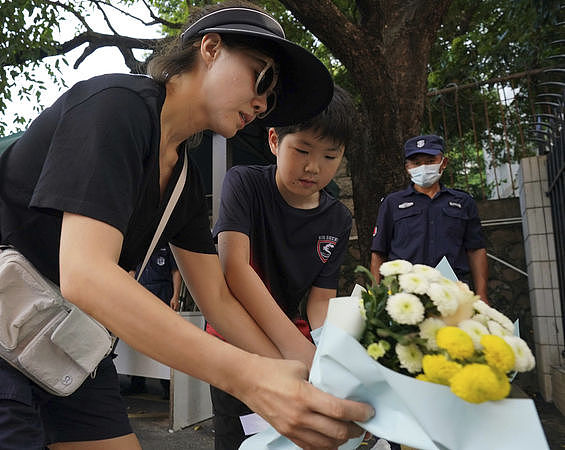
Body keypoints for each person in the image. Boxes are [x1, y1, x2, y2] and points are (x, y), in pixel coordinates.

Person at [0, 3, 374, 449]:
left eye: (270, 98)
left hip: (68, 347)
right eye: (261, 78)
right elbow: (86, 276)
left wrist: (313, 374)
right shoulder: (115, 106)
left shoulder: (184, 183)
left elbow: (216, 299)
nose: (262, 103)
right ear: (210, 47)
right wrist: (250, 378)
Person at [207, 85, 355, 449]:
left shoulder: (338, 218)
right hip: (233, 342)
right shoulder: (244, 184)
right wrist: (300, 354)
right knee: (238, 437)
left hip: (292, 343)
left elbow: (321, 300)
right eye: (302, 150)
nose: (312, 167)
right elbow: (236, 270)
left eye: (330, 156)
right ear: (274, 140)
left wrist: (328, 355)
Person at [370, 134, 489, 302]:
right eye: (416, 163)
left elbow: (476, 250)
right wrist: (376, 298)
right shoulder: (392, 203)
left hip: (454, 292)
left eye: (430, 161)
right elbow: (378, 253)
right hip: (405, 296)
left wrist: (482, 295)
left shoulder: (463, 202)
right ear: (407, 167)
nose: (423, 167)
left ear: (444, 163)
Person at [122, 246, 182, 398]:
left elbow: (175, 271)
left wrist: (175, 295)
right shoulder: (139, 245)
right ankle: (137, 383)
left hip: (162, 294)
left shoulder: (166, 247)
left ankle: (167, 385)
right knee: (138, 340)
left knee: (162, 341)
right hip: (140, 294)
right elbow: (132, 272)